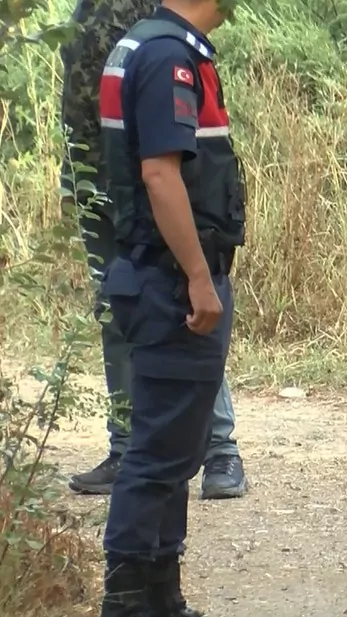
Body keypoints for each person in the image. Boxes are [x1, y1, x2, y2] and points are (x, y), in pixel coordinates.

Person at [59, 0, 247, 502]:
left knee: (188, 311)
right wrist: (74, 174)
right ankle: (127, 443)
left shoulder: (159, 26)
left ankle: (218, 448)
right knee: (128, 311)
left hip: (152, 175)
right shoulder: (90, 12)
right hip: (103, 179)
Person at [93, 1, 244, 615]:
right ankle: (128, 600)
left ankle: (161, 596)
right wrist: (199, 277)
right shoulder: (165, 56)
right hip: (169, 282)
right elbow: (160, 174)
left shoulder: (155, 45)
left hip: (157, 275)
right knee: (157, 453)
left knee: (174, 448)